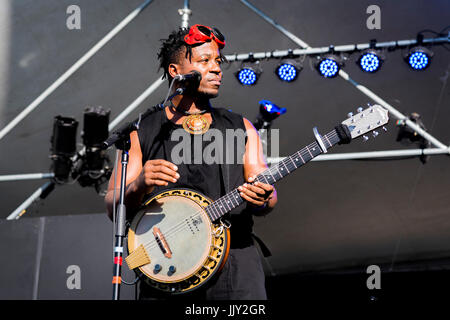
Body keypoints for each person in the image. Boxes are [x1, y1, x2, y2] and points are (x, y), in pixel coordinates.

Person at [104, 24, 277, 300]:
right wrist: (138, 183)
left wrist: (264, 196)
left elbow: (266, 191)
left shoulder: (241, 127)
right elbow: (113, 204)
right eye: (204, 61)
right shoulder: (141, 130)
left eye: (218, 61)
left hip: (234, 265)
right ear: (176, 71)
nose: (217, 68)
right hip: (166, 268)